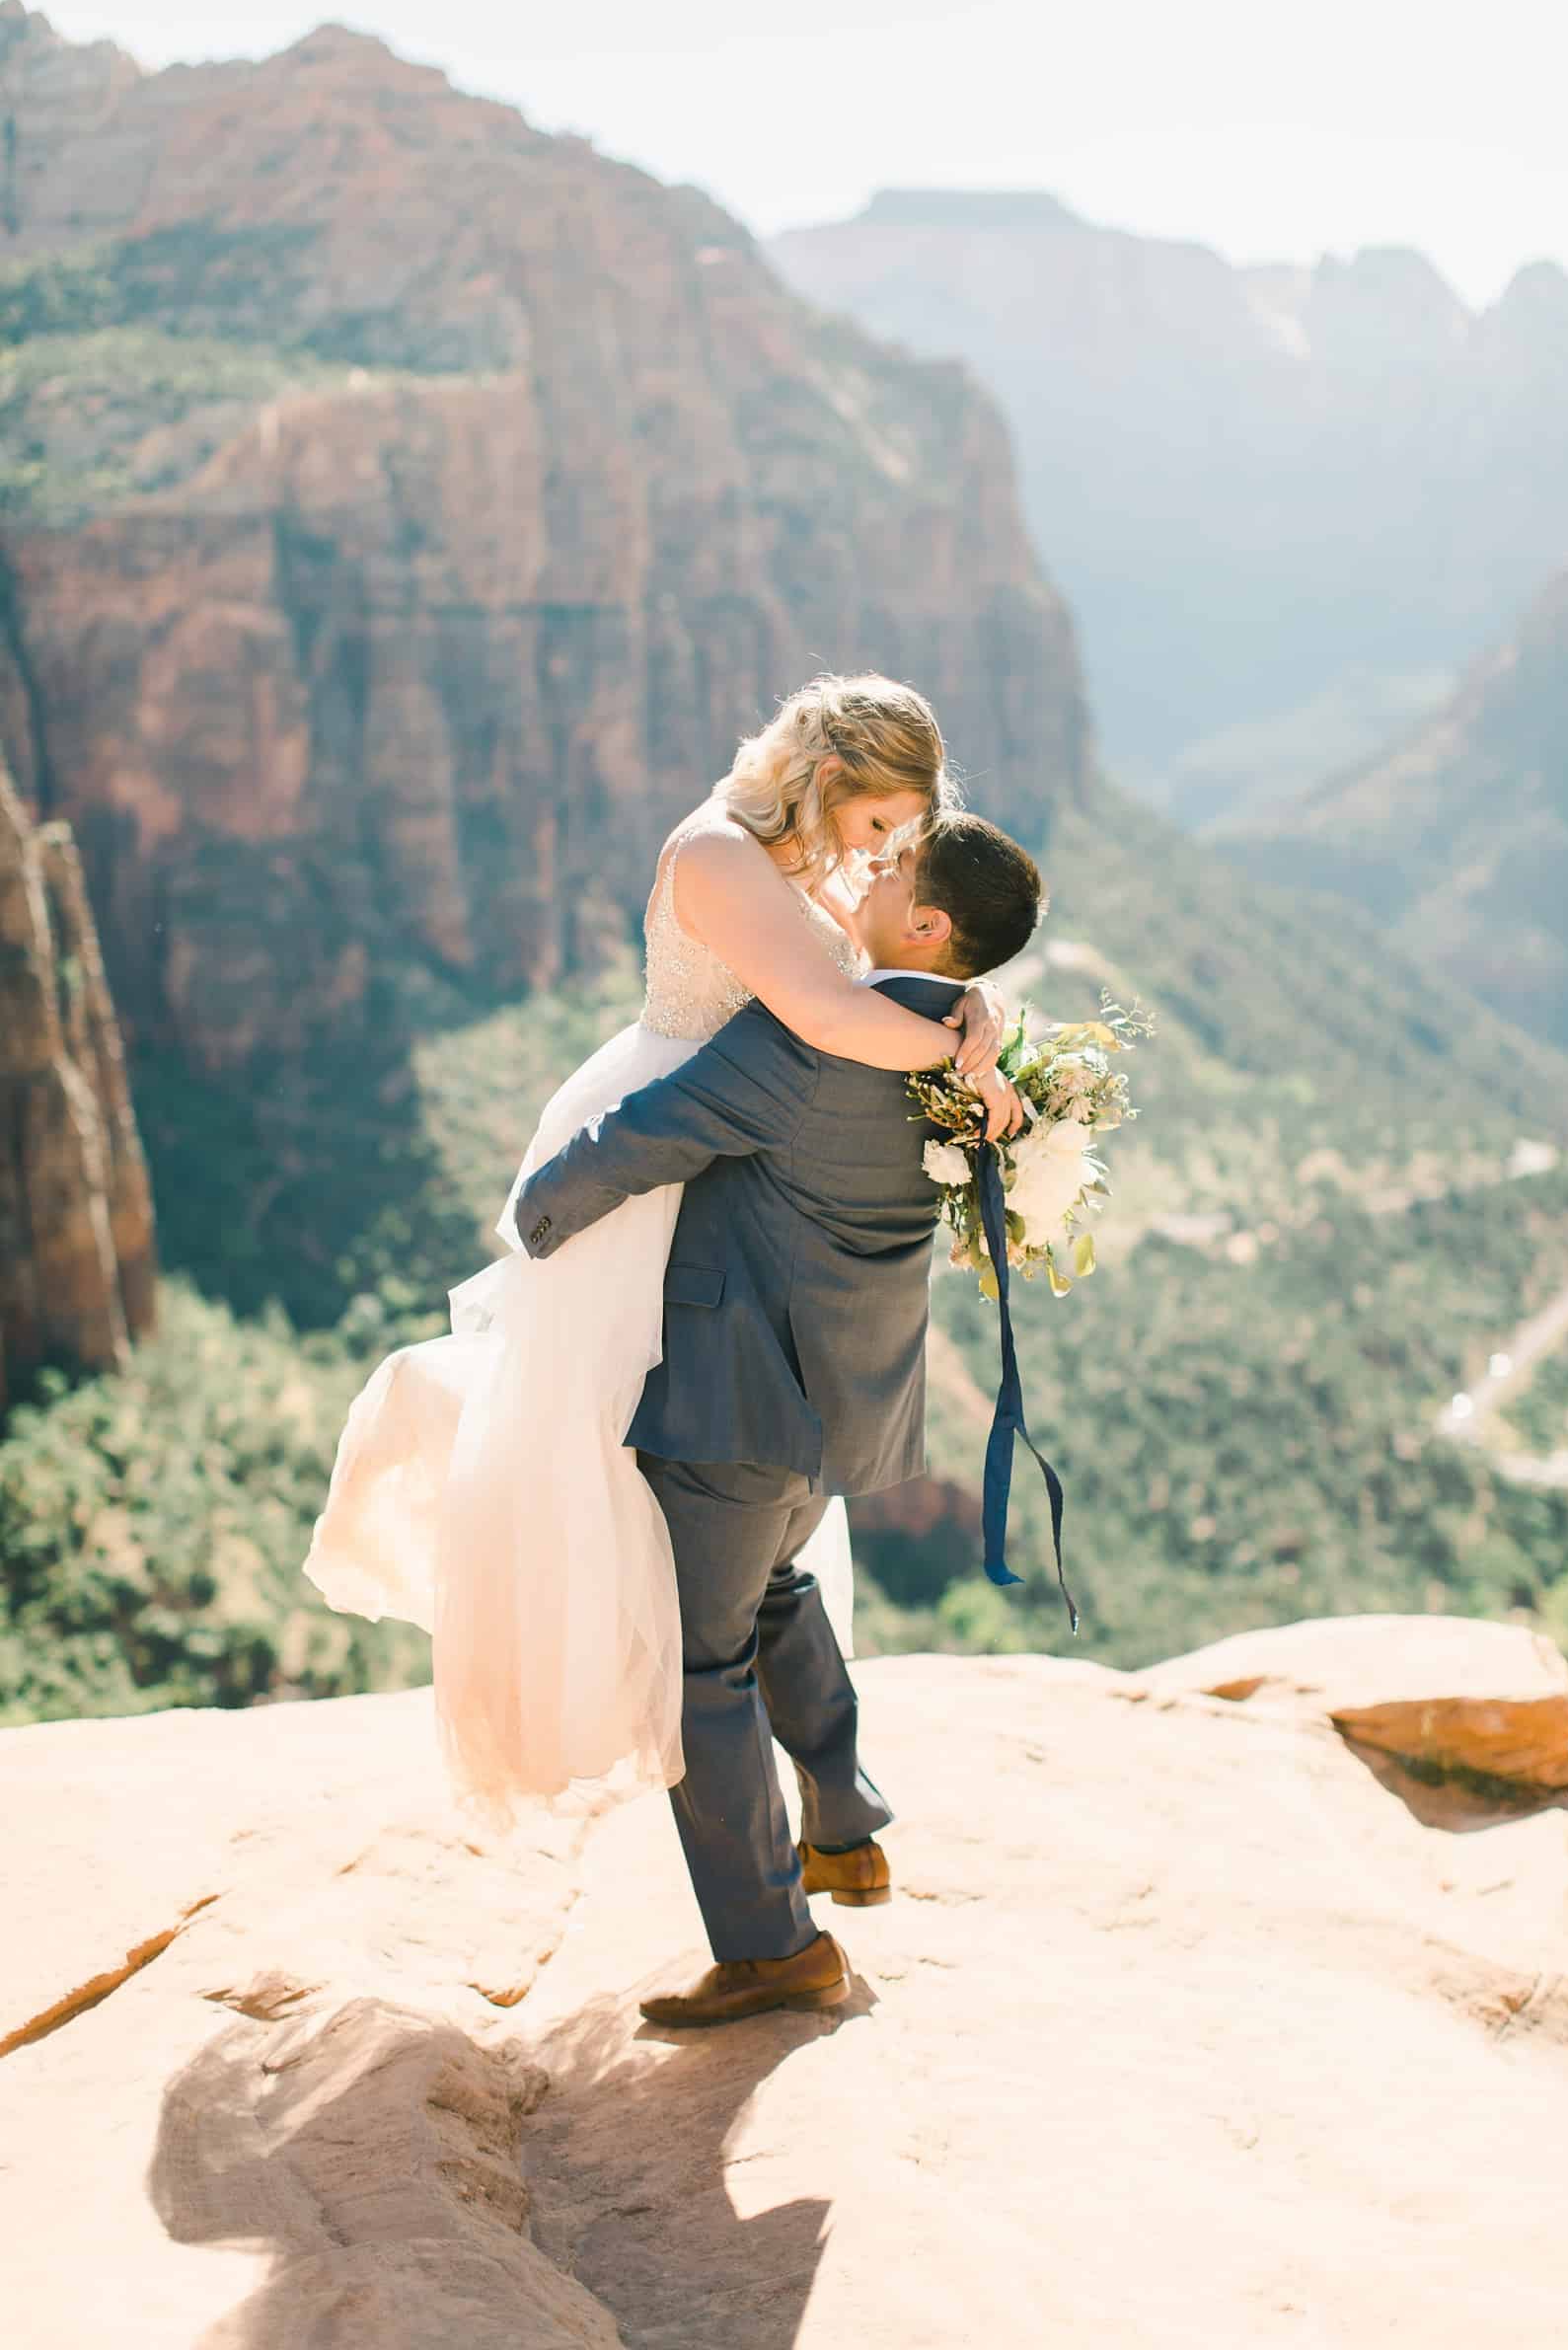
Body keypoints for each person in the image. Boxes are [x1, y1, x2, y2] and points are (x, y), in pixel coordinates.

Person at [304, 674, 1019, 1822]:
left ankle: (824, 1811)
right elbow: (831, 1018)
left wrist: (966, 1008)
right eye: (884, 823)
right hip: (663, 1143)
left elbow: (874, 969)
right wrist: (964, 1057)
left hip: (739, 1163)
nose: (888, 855)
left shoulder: (817, 857)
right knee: (609, 1449)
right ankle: (684, 1732)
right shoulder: (719, 854)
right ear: (833, 779)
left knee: (736, 1521)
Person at [513, 813, 1046, 2025]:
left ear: (928, 926)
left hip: (734, 1402)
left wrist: (531, 1223)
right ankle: (846, 1827)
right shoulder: (963, 1052)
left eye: (893, 867)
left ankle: (771, 1949)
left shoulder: (807, 1041)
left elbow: (651, 1135)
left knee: (699, 1667)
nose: (867, 865)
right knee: (774, 1591)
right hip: (842, 1407)